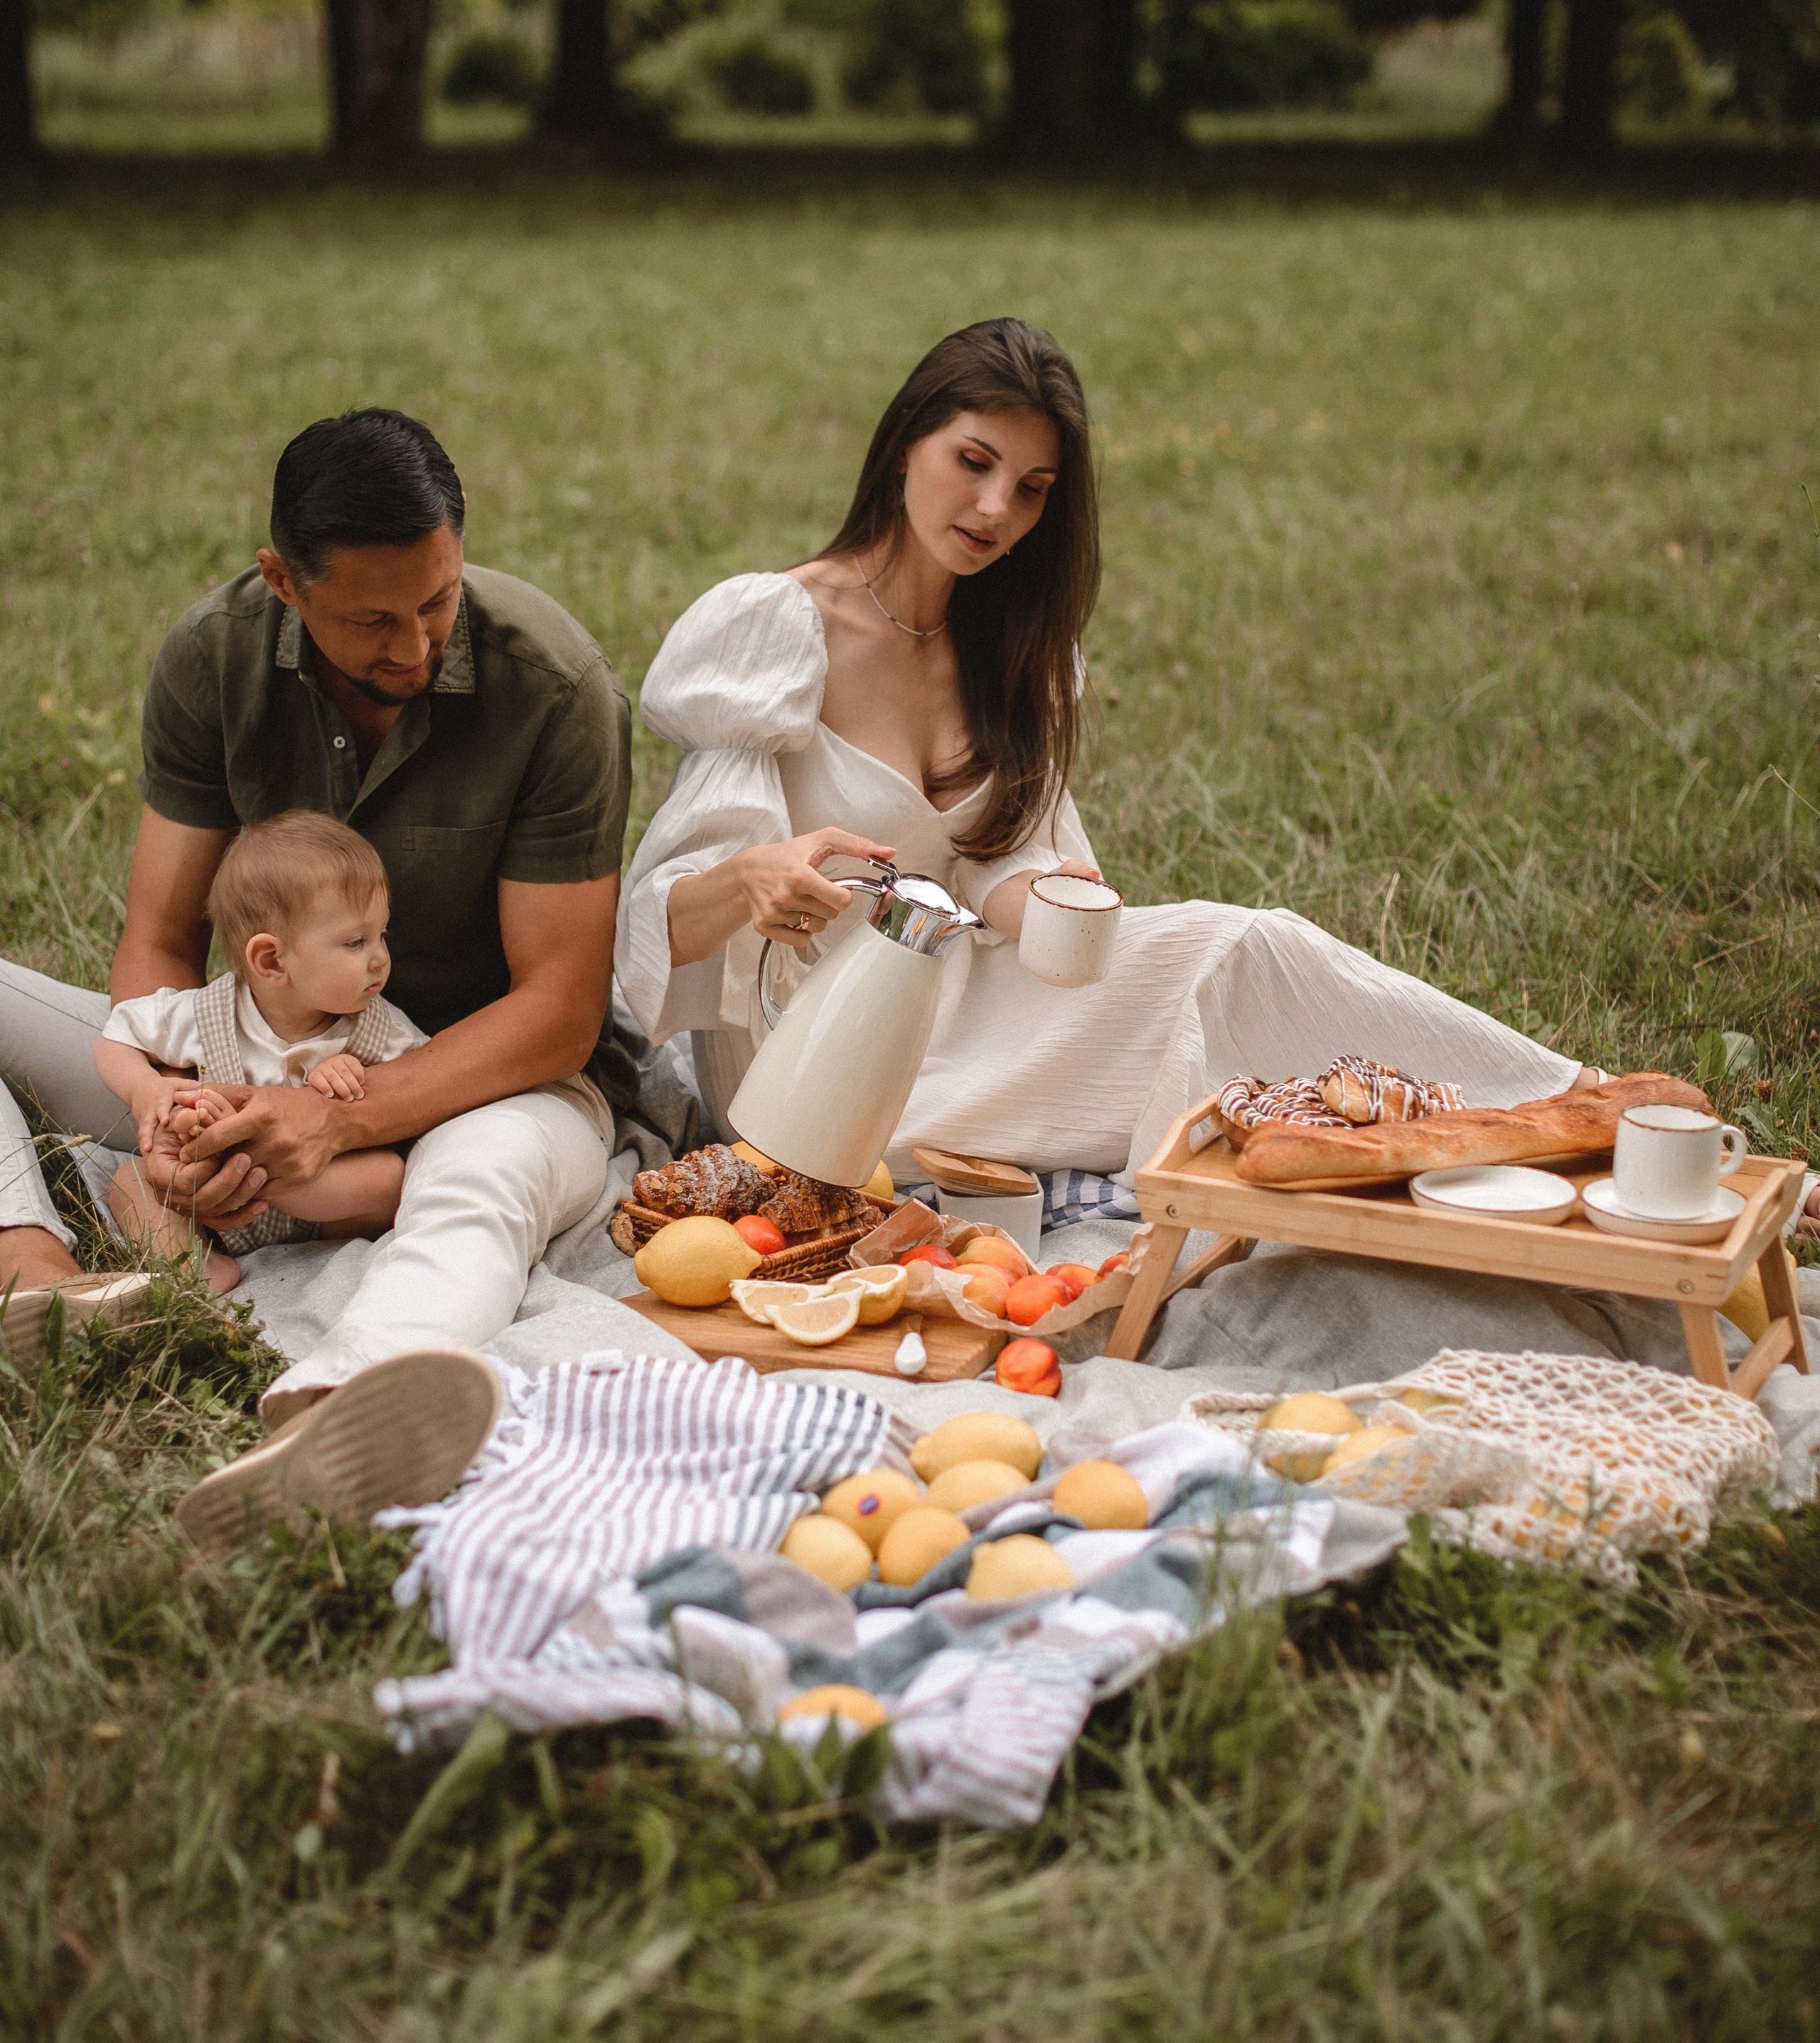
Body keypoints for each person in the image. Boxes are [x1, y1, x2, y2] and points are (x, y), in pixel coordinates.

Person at [617, 318, 1597, 1180]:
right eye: (974, 460)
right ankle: (1514, 1124)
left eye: (1031, 487)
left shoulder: (1012, 647)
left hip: (970, 1009)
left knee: (1238, 945)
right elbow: (655, 923)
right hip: (808, 1057)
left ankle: (1559, 1105)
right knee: (1207, 1063)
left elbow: (997, 865)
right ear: (906, 442)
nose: (997, 508)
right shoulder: (777, 632)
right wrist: (753, 878)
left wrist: (1042, 902)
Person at [0, 406, 641, 1432]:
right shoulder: (216, 657)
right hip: (250, 1068)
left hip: (496, 1088)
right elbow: (161, 939)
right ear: (283, 582)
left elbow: (561, 1011)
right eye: (373, 621)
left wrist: (340, 1115)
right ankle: (33, 1269)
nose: (416, 643)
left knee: (476, 1181)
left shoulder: (554, 686)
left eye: (437, 601)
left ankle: (335, 1402)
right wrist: (181, 1116)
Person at [96, 811, 427, 1293]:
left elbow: (423, 1092)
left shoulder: (378, 1029)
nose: (379, 957)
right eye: (355, 941)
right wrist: (148, 1088)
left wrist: (358, 1082)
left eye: (383, 935)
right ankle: (193, 1268)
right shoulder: (206, 1013)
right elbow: (115, 1037)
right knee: (131, 1180)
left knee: (390, 1177)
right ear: (271, 960)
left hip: (322, 1209)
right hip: (212, 1200)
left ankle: (274, 1202)